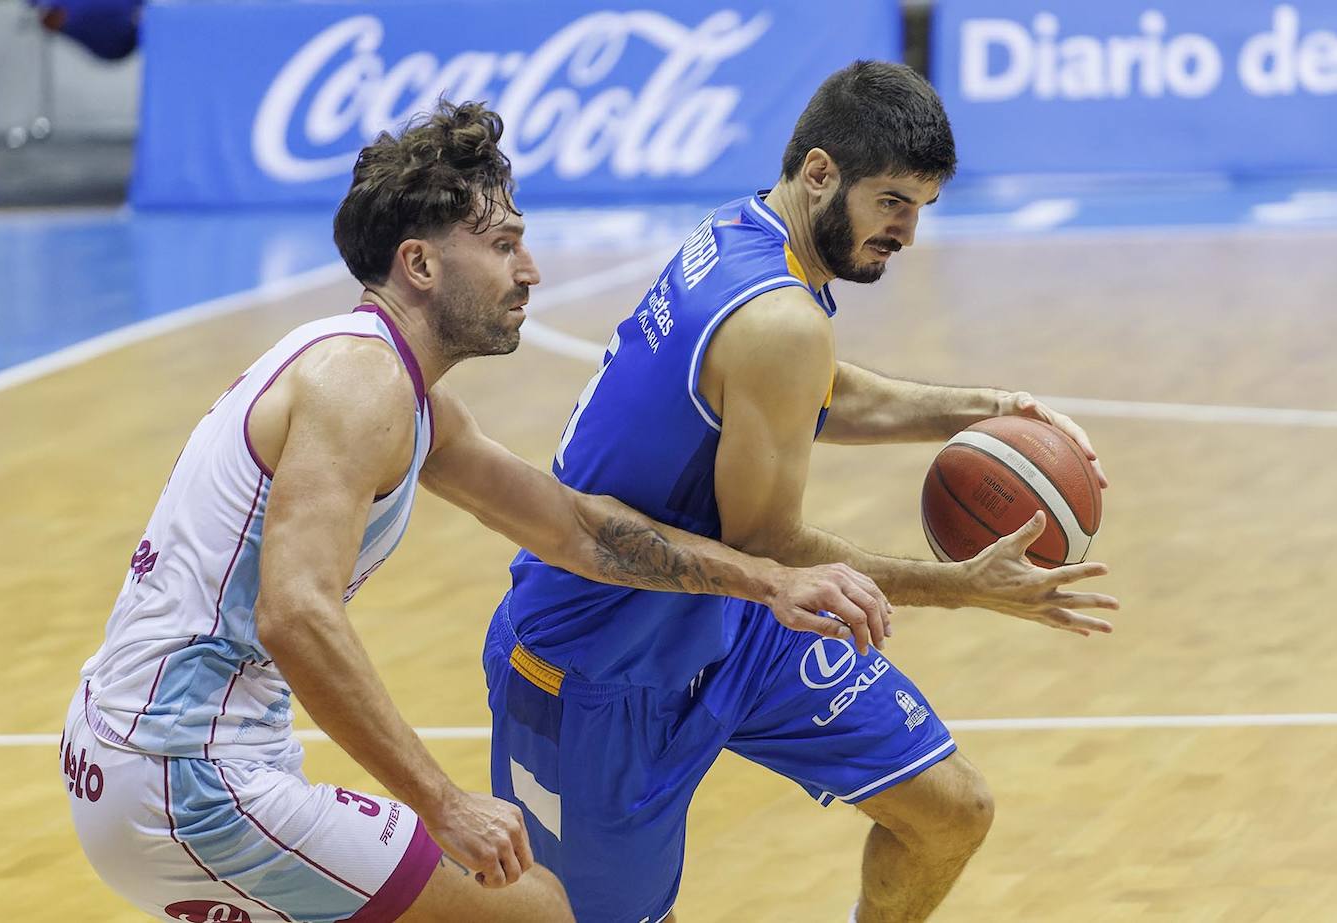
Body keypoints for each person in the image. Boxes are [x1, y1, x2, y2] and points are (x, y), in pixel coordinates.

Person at [59, 101, 890, 923]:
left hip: (150, 754)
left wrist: (773, 581)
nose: (529, 270)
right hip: (187, 772)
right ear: (420, 264)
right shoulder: (361, 386)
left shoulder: (403, 395)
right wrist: (441, 799)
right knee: (534, 910)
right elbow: (295, 613)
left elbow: (578, 529)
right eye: (502, 246)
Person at [485, 61, 1120, 923]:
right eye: (892, 203)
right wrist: (966, 588)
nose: (905, 233)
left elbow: (816, 387)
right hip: (596, 657)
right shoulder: (778, 318)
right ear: (821, 171)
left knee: (948, 811)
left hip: (730, 618)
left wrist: (988, 409)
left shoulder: (746, 235)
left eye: (921, 209)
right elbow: (769, 546)